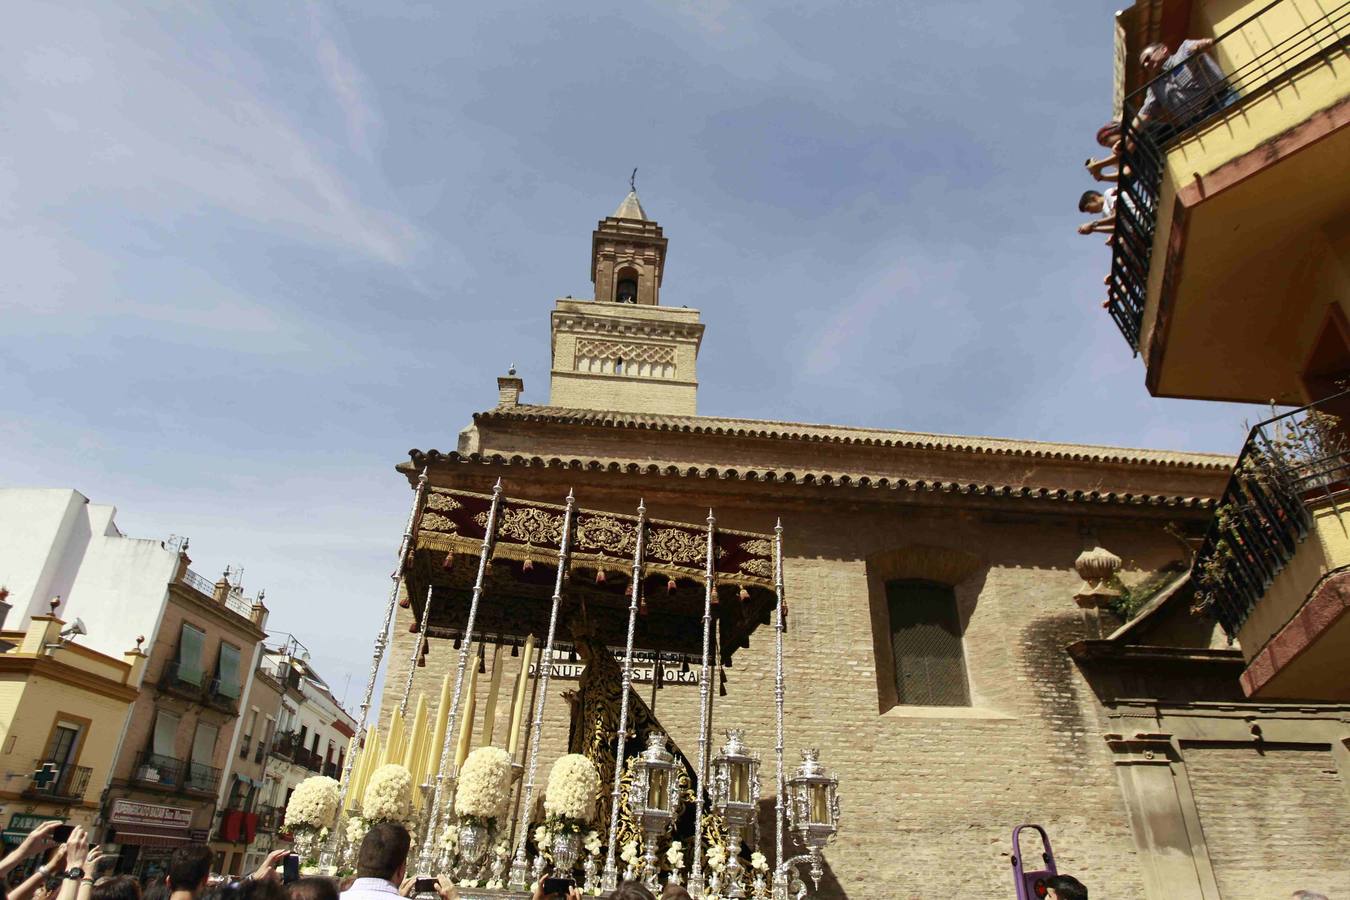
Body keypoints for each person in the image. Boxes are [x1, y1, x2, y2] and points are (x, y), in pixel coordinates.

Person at [1133, 39, 1237, 138]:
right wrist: (1125, 141)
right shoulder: (1155, 88)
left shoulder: (1183, 51)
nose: (1146, 65)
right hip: (1196, 124)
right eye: (1143, 66)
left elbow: (1194, 47)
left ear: (1163, 50)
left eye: (1147, 58)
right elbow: (1144, 114)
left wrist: (1203, 44)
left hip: (1223, 101)